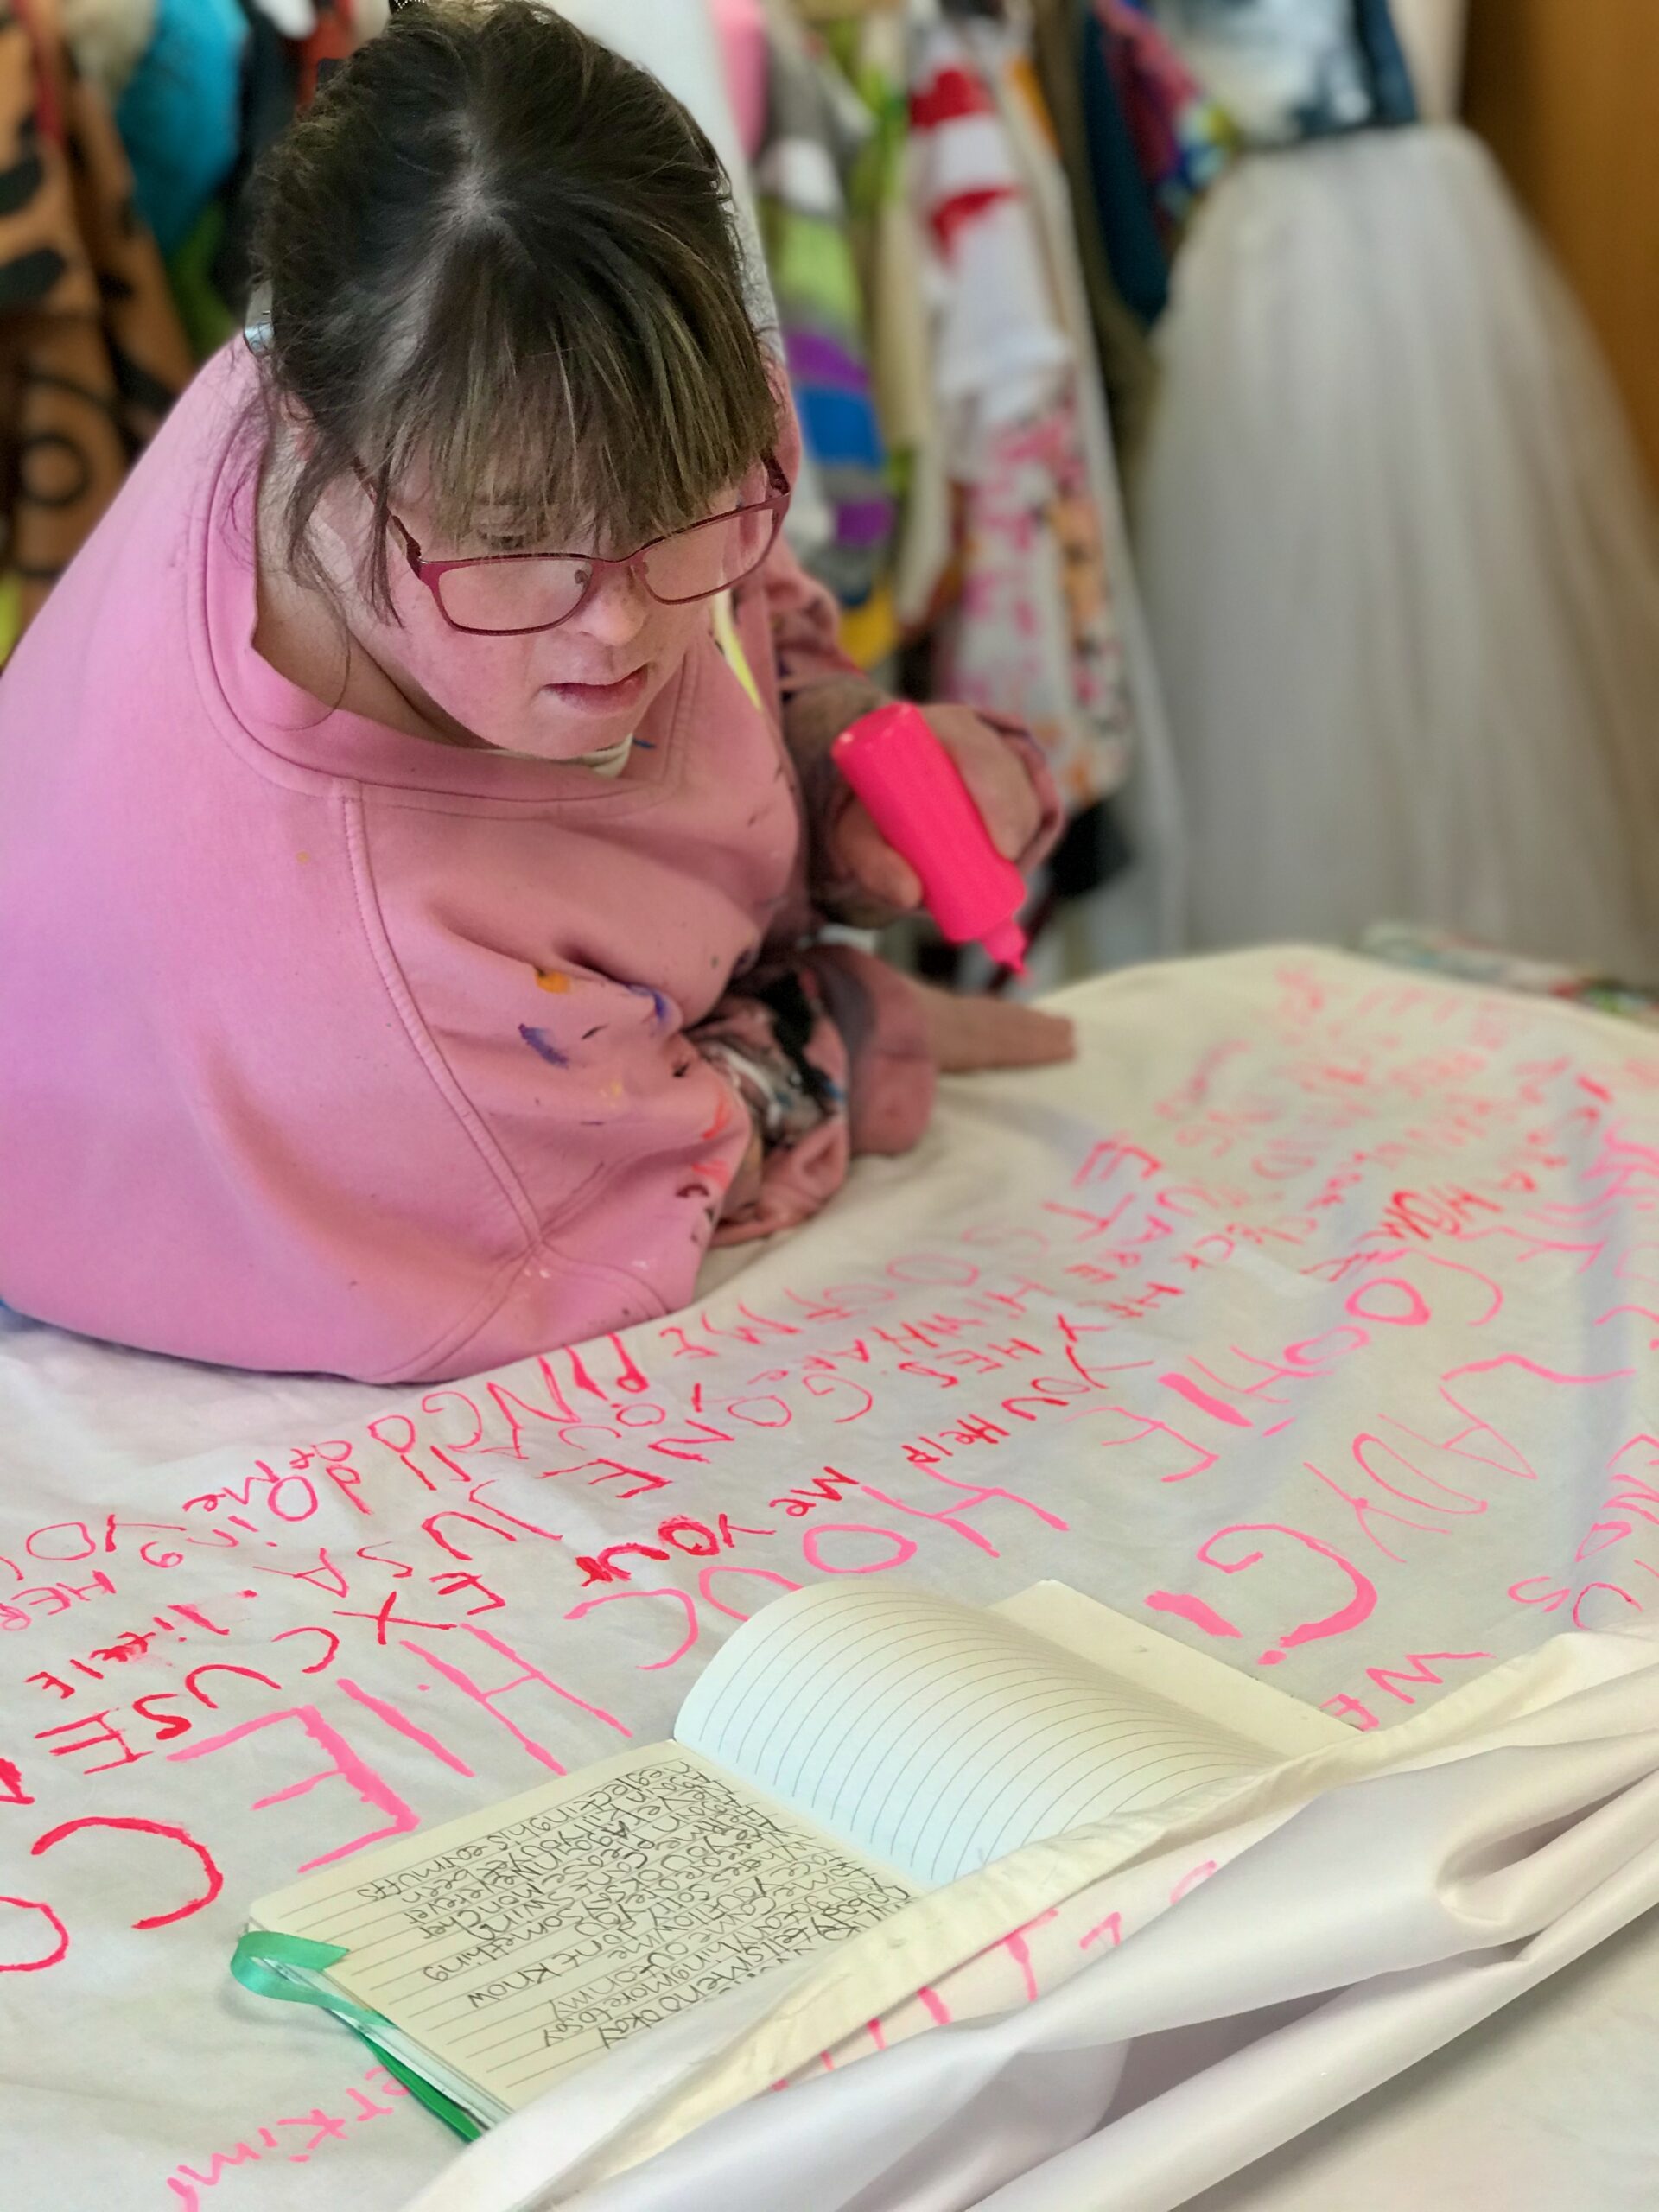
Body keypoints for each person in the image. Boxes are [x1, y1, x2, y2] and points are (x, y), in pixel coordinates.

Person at [0, 0, 1071, 1388]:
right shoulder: (372, 1003)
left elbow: (734, 600)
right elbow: (661, 1165)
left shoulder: (391, 367)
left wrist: (830, 743)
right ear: (314, 436)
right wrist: (852, 1029)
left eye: (681, 509)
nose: (621, 627)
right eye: (515, 542)